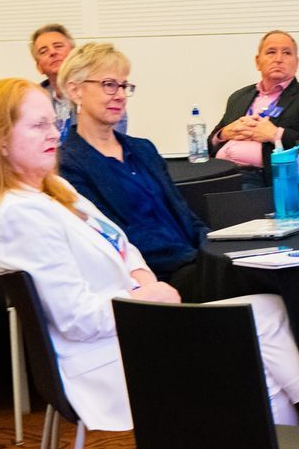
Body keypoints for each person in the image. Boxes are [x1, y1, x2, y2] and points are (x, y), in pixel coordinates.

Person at [0, 78, 299, 431]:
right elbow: (76, 319)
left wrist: (144, 279)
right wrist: (146, 297)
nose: (53, 134)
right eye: (37, 126)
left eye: (54, 122)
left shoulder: (54, 188)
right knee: (260, 326)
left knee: (267, 315)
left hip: (134, 327)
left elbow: (123, 244)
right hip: (107, 358)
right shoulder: (18, 214)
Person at [55, 43, 210, 294]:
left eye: (124, 85)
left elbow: (185, 216)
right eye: (109, 84)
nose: (120, 95)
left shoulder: (143, 150)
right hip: (152, 278)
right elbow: (112, 239)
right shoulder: (68, 165)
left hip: (196, 262)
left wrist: (212, 250)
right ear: (75, 91)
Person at [210, 30, 299, 176]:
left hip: (263, 179)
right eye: (271, 52)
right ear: (258, 62)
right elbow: (207, 145)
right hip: (219, 173)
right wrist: (223, 134)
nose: (278, 59)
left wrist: (276, 135)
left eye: (287, 53)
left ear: (296, 63)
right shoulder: (239, 97)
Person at [30, 23, 78, 135]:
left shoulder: (100, 94)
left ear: (75, 54)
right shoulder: (32, 100)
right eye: (43, 51)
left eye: (58, 46)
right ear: (39, 68)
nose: (52, 52)